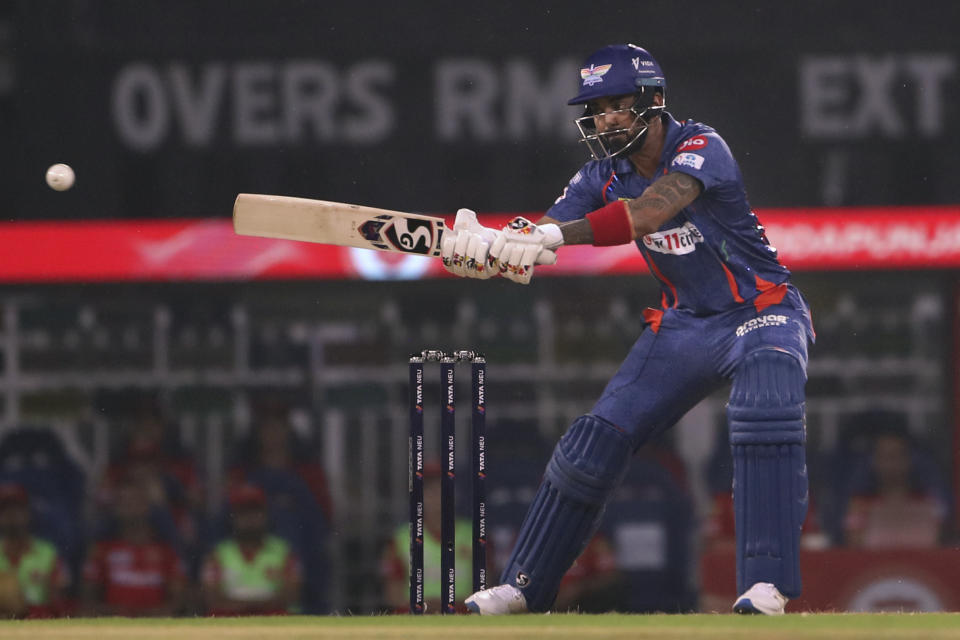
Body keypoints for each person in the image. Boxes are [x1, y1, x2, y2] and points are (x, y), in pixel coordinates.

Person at [440, 44, 814, 616]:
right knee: (593, 442)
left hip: (762, 309)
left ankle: (765, 585)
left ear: (654, 101)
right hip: (685, 324)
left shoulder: (700, 146)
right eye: (596, 109)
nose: (605, 119)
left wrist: (549, 239)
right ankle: (522, 588)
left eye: (617, 105)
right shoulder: (600, 174)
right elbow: (540, 232)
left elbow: (651, 211)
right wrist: (491, 246)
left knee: (765, 402)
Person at [81, 481, 186, 617]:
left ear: (147, 506)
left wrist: (151, 616)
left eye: (134, 500)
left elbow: (179, 601)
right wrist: (116, 615)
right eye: (123, 501)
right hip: (113, 628)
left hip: (155, 627)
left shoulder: (166, 552)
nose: (128, 506)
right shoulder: (102, 551)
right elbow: (87, 599)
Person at [201, 484, 302, 616]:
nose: (250, 519)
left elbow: (291, 596)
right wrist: (256, 605)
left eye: (255, 512)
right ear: (233, 517)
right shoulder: (218, 554)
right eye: (243, 513)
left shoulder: (284, 551)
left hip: (274, 620)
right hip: (230, 621)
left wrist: (245, 605)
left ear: (265, 515)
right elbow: (212, 599)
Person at [843, 429, 947, 549]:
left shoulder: (929, 502)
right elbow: (855, 550)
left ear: (908, 459)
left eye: (897, 455)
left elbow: (938, 546)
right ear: (875, 461)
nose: (891, 463)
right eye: (885, 456)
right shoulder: (858, 505)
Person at [0, 484, 69, 618]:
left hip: (38, 626)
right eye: (4, 510)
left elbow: (58, 604)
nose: (12, 515)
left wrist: (25, 610)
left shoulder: (48, 553)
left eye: (17, 509)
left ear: (28, 513)